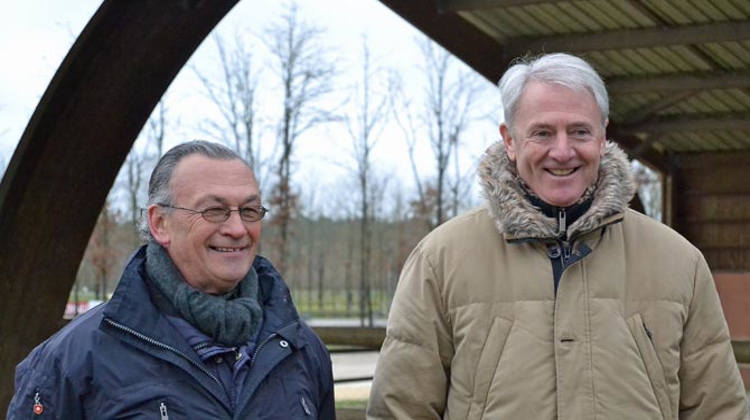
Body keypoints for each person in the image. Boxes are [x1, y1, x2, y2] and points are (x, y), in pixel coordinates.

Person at [367, 53, 748, 419]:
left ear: (602, 137)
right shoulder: (441, 259)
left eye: (580, 131)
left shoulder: (679, 261)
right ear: (510, 140)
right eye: (542, 133)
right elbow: (401, 409)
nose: (562, 151)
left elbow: (718, 409)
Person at [8, 140, 335, 419]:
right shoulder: (73, 360)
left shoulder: (300, 349)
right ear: (160, 223)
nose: (237, 229)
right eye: (214, 210)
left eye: (249, 211)